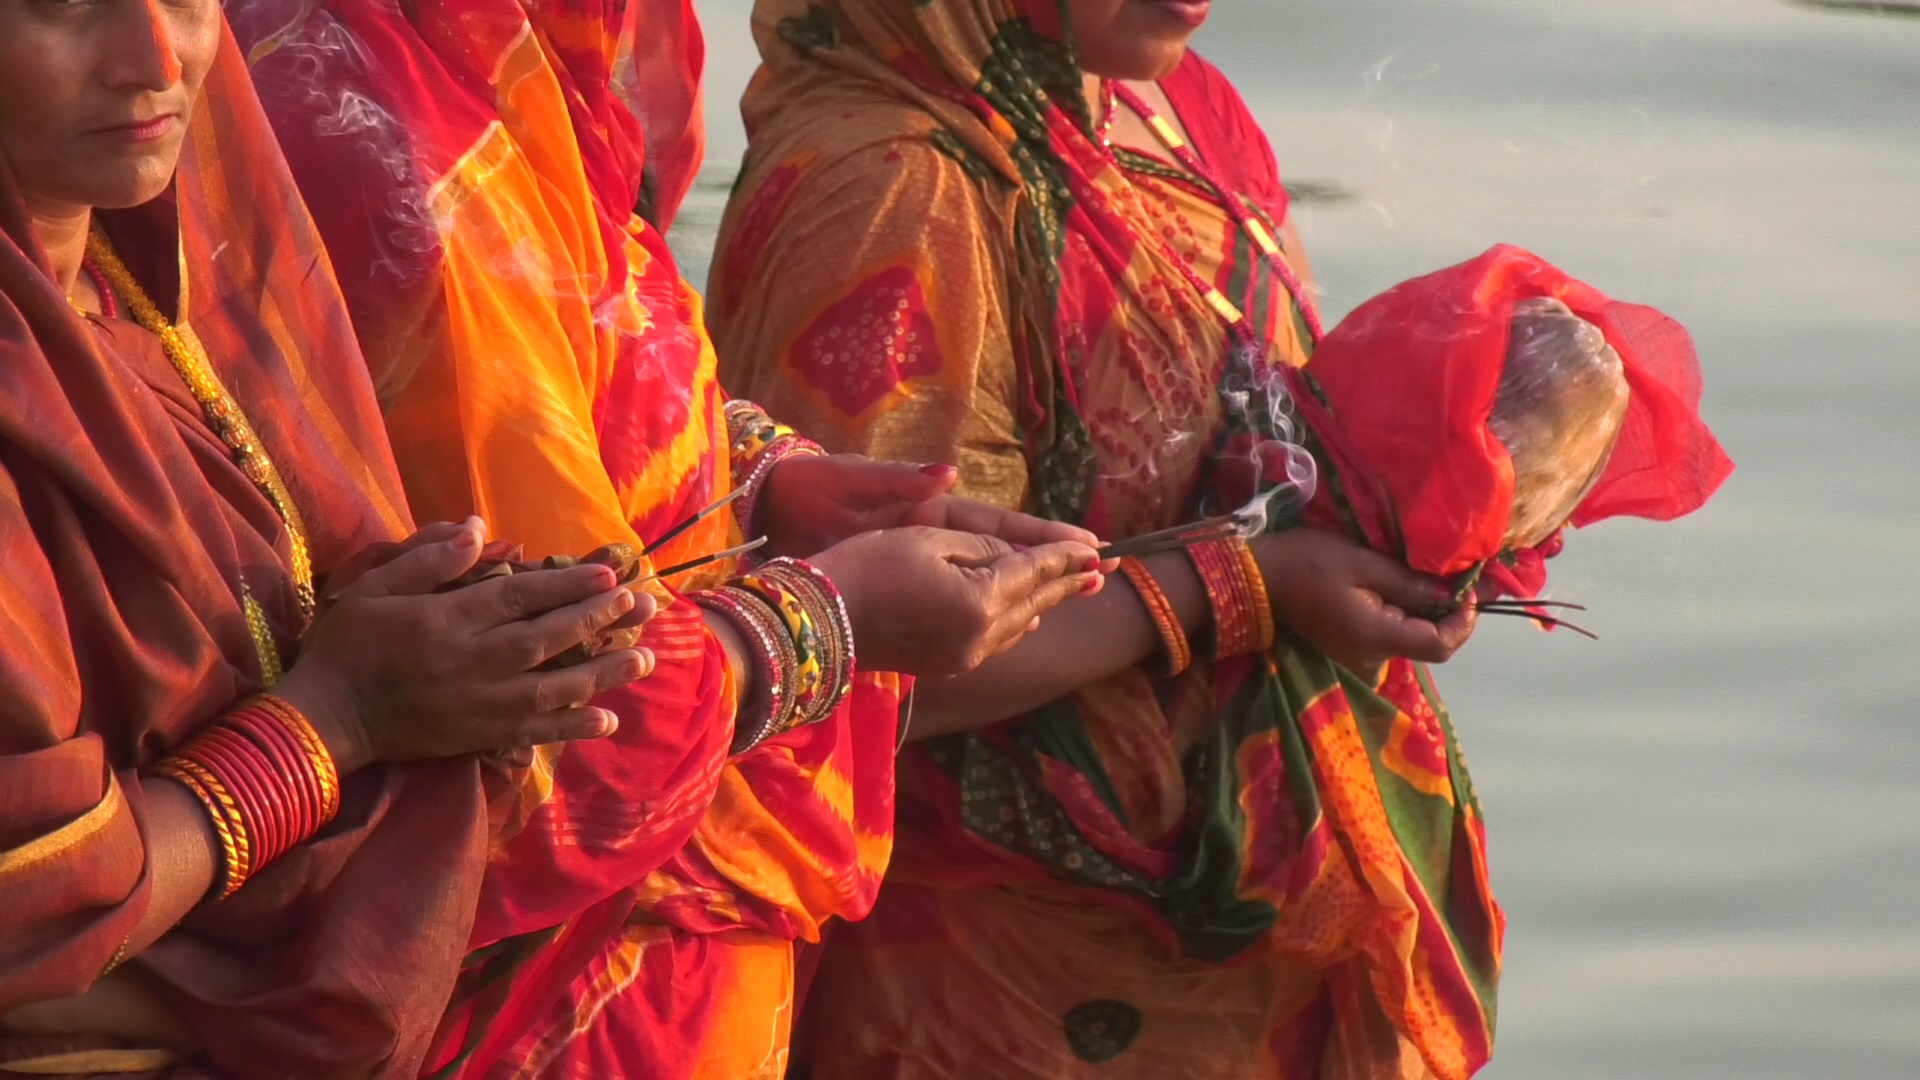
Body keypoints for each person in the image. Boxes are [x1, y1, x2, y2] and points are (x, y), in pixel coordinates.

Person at [227, 1, 1106, 1076]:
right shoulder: (399, 161)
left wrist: (761, 478)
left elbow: (592, 349)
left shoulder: (513, 55)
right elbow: (554, 713)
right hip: (554, 1000)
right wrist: (825, 621)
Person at [710, 1, 1505, 1077]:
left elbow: (1252, 441)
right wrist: (1245, 588)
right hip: (995, 977)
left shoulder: (1171, 106)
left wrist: (1421, 496)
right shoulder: (894, 187)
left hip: (1233, 940)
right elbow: (862, 661)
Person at [0, 6, 662, 1075]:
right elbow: (30, 897)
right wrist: (337, 719)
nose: (156, 62)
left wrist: (458, 640)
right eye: (67, 5)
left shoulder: (162, 290)